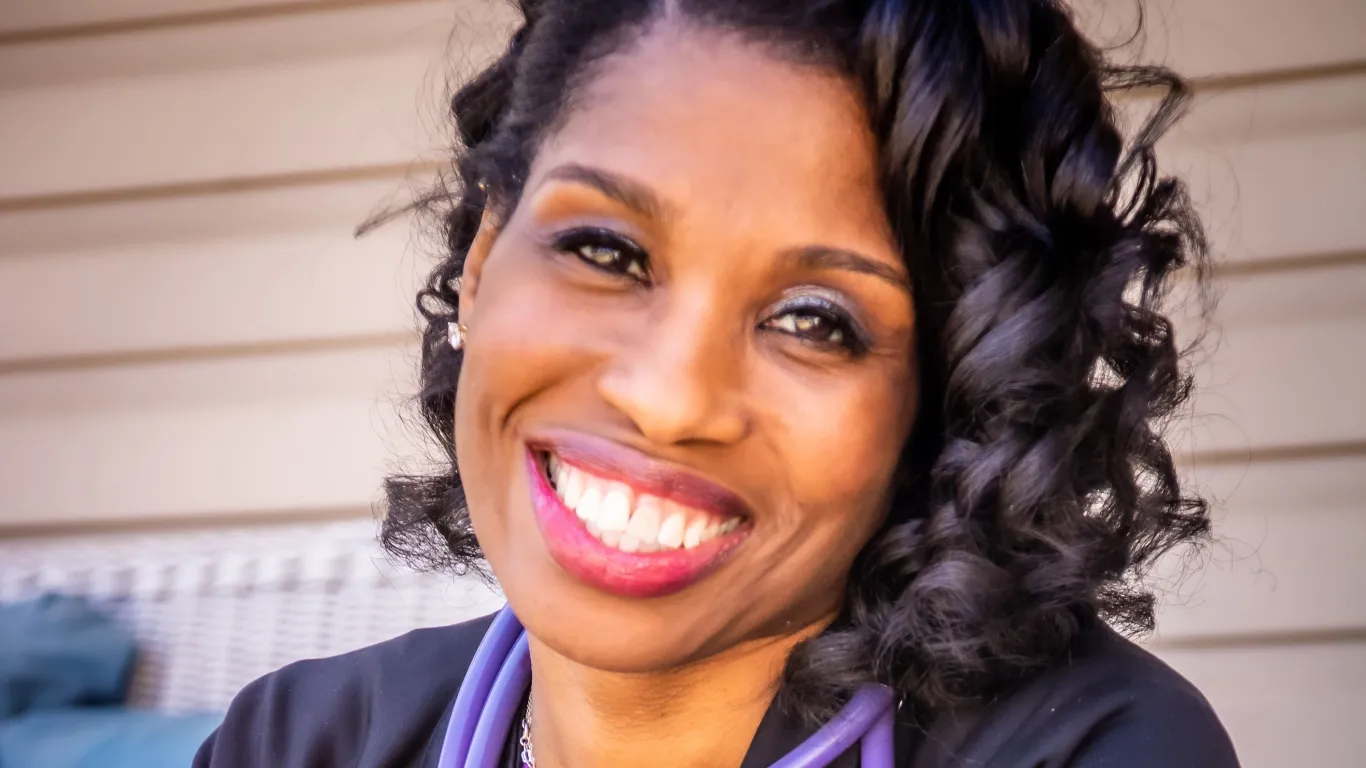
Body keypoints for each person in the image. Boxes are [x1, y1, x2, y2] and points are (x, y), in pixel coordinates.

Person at [194, 0, 1240, 765]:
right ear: (479, 262)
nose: (669, 397)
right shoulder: (297, 743)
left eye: (813, 321)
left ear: (947, 401)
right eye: (606, 251)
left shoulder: (1091, 751)